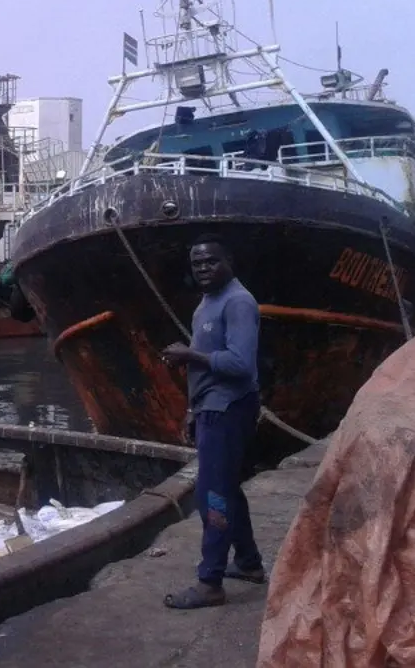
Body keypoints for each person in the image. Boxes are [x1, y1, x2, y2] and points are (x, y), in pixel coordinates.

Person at [161, 234, 265, 610]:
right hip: (210, 407)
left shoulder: (238, 303)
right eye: (197, 264)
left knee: (213, 495)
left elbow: (241, 364)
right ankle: (249, 562)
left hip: (229, 408)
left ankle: (210, 582)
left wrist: (190, 355)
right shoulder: (207, 303)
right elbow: (208, 365)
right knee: (228, 487)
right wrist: (193, 409)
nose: (203, 269)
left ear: (228, 261)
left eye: (211, 261)